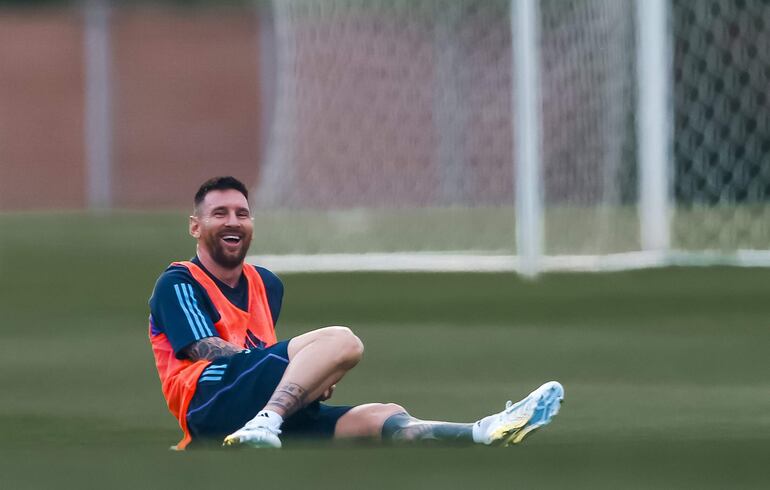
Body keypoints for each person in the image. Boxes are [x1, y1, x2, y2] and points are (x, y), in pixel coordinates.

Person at [148, 176, 564, 450]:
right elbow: (206, 350)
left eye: (241, 213)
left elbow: (264, 359)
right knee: (342, 341)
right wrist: (300, 371)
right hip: (207, 402)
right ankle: (266, 422)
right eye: (219, 214)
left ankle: (483, 431)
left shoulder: (266, 283)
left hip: (248, 405)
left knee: (383, 416)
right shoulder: (179, 281)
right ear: (195, 227)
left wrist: (307, 380)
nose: (232, 221)